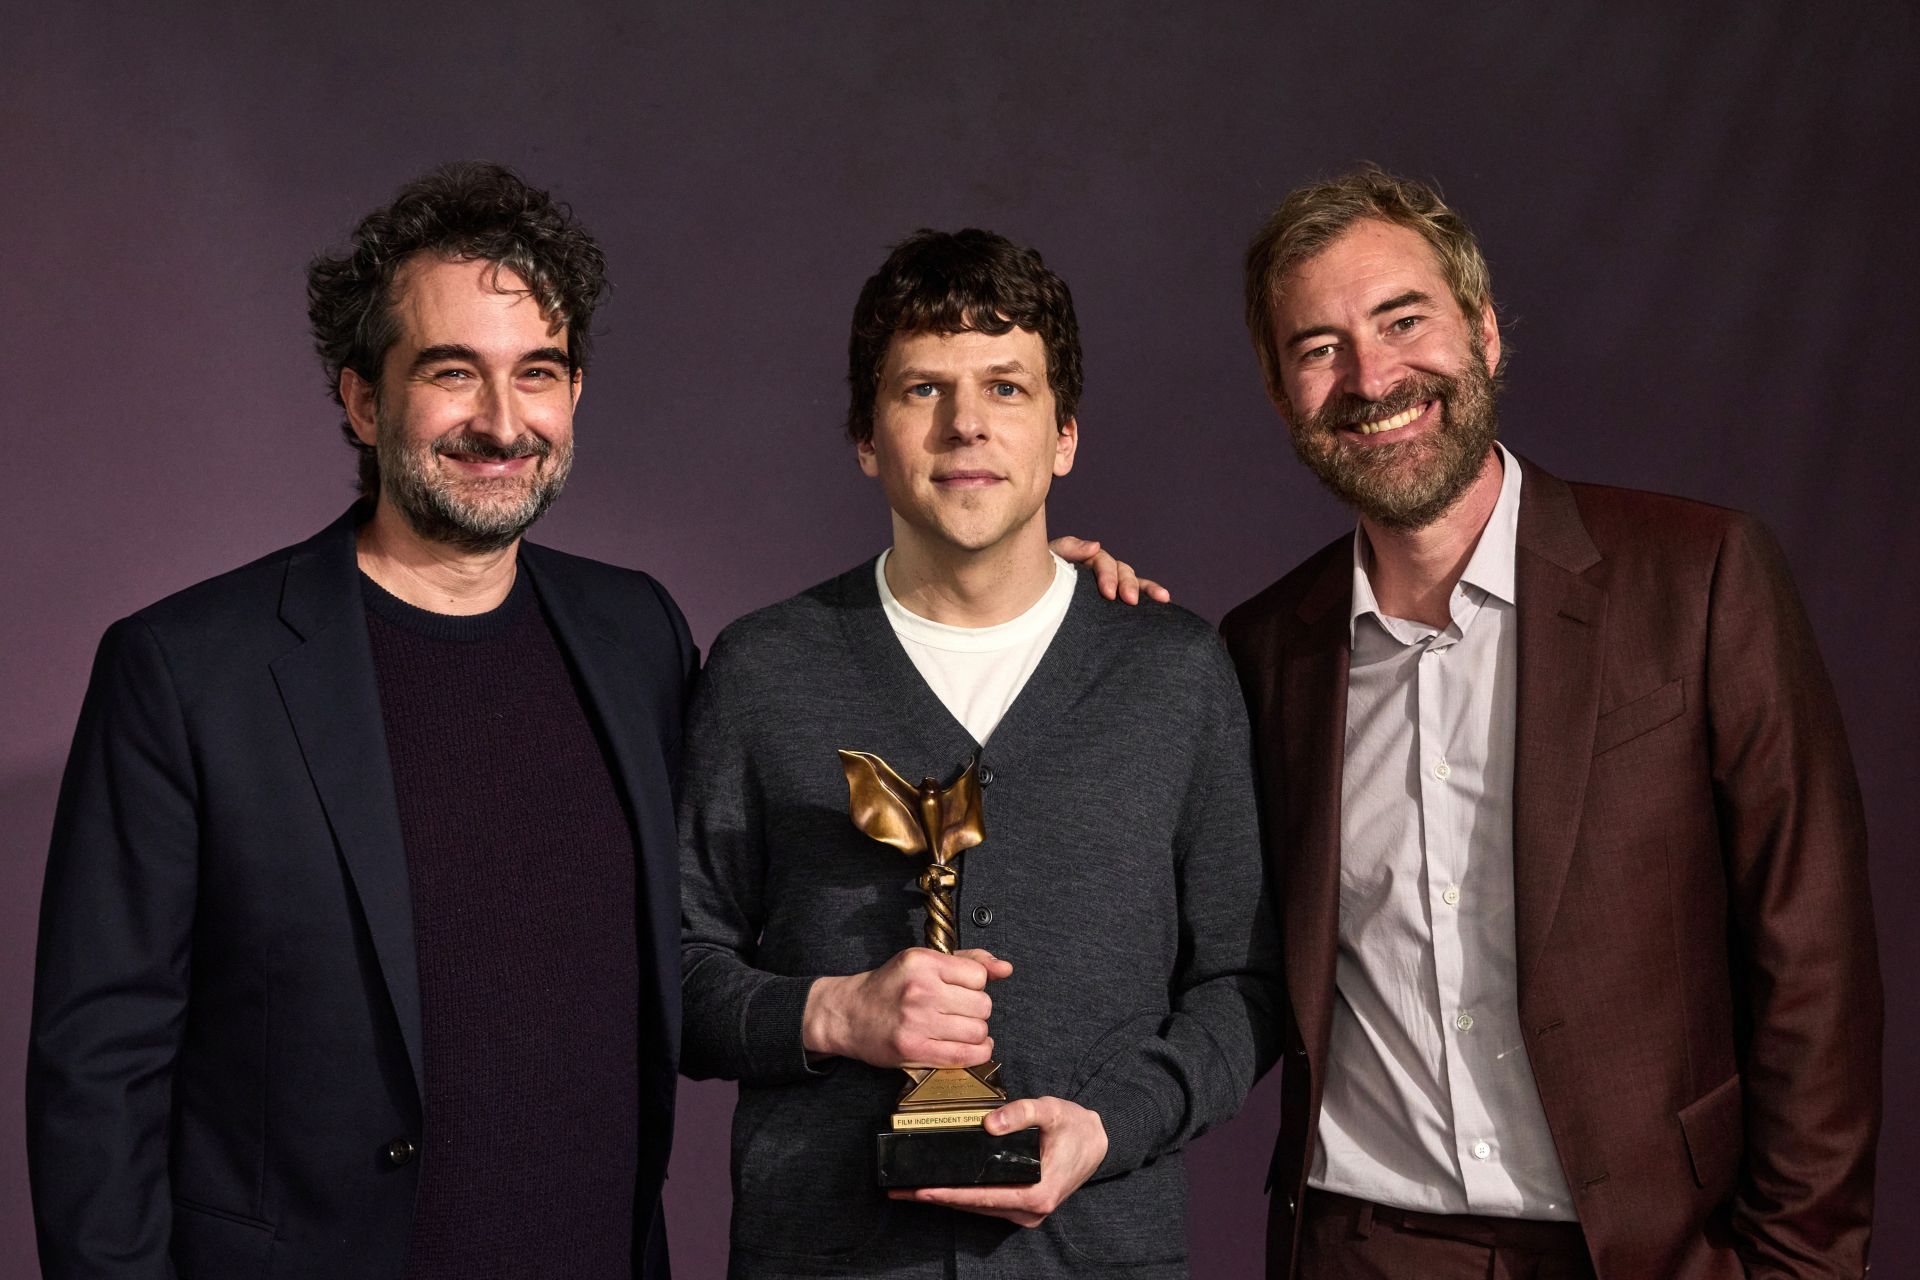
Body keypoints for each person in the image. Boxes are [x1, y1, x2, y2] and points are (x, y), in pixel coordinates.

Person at [24, 161, 693, 1279]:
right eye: (452, 371)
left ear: (574, 392)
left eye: (537, 372)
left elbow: (715, 944)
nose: (502, 421)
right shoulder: (186, 671)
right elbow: (97, 1073)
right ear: (363, 400)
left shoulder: (640, 636)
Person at [1221, 166, 1881, 1279]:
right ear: (1283, 394)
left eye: (1404, 320)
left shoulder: (1700, 578)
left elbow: (1813, 956)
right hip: (1359, 1246)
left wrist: (1800, 1264)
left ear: (1483, 332)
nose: (1373, 377)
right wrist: (1063, 615)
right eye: (1320, 346)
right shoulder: (1261, 652)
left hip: (1658, 1250)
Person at [679, 228, 1281, 1278]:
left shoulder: (1174, 674)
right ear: (867, 438)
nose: (967, 422)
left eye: (1006, 387)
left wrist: (1111, 1126)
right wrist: (831, 1011)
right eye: (924, 388)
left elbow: (1245, 983)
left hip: (1099, 1259)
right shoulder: (764, 669)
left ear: (1064, 436)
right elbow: (670, 972)